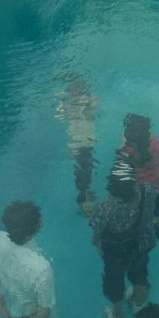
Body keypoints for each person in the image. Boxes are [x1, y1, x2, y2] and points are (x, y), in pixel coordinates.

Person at [90, 157, 156, 318]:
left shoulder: (105, 208)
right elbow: (150, 214)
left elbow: (97, 231)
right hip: (142, 243)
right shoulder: (148, 190)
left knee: (114, 282)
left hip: (116, 253)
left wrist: (96, 244)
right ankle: (138, 303)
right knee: (140, 272)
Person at [57, 73, 99, 216]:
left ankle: (84, 194)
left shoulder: (76, 102)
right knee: (84, 168)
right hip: (80, 141)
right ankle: (83, 197)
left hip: (82, 140)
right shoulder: (71, 103)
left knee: (85, 168)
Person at [119, 113, 159, 237]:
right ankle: (156, 226)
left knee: (138, 210)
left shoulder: (128, 150)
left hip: (138, 186)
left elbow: (124, 166)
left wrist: (124, 144)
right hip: (156, 184)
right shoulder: (155, 142)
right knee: (155, 209)